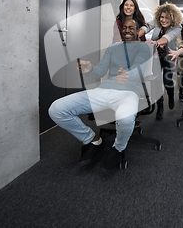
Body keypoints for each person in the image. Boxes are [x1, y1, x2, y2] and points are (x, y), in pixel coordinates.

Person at [49, 19, 150, 173]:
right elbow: (101, 71)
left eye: (131, 28)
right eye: (125, 28)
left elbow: (139, 66)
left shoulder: (143, 47)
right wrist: (90, 69)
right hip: (103, 90)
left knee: (125, 118)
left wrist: (128, 74)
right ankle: (93, 140)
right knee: (57, 109)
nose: (127, 30)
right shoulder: (112, 48)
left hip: (128, 93)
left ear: (137, 31)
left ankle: (118, 148)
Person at [139, 2, 182, 120]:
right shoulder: (157, 22)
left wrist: (156, 43)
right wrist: (137, 35)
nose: (163, 20)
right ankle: (160, 106)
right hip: (156, 56)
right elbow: (146, 27)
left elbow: (168, 38)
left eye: (167, 17)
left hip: (169, 56)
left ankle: (171, 94)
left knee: (167, 81)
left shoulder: (177, 27)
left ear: (172, 17)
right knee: (157, 81)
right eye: (162, 17)